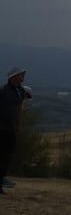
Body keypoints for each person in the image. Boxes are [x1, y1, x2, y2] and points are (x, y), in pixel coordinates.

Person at [0, 67, 32, 195]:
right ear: (13, 77)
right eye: (21, 75)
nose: (23, 77)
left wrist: (18, 125)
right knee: (2, 156)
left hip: (11, 129)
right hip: (2, 128)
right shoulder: (4, 91)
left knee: (6, 157)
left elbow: (19, 106)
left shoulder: (19, 91)